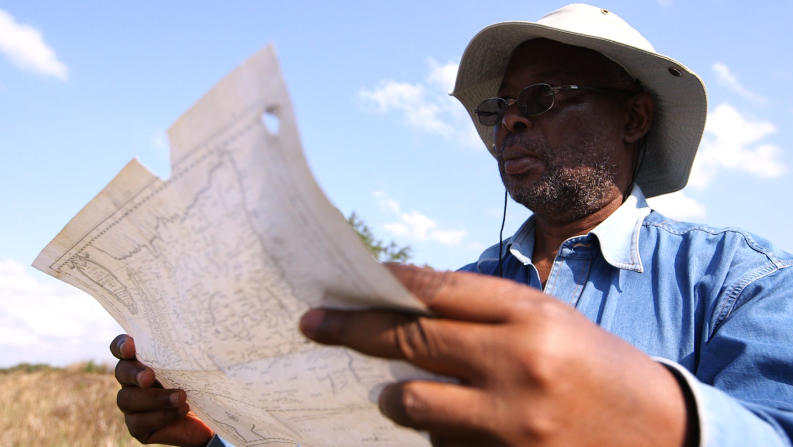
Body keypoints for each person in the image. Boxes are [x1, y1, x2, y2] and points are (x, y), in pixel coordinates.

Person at [111, 4, 793, 446]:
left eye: (544, 96)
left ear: (634, 117)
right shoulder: (452, 297)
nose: (512, 121)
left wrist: (656, 417)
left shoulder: (738, 281)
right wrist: (212, 431)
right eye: (501, 109)